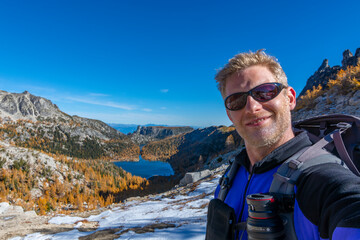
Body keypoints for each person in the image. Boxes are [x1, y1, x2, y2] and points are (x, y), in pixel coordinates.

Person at [206, 50, 360, 239]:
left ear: (290, 98)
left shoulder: (318, 181)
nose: (252, 107)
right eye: (236, 100)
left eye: (265, 92)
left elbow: (349, 205)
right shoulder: (230, 177)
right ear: (230, 115)